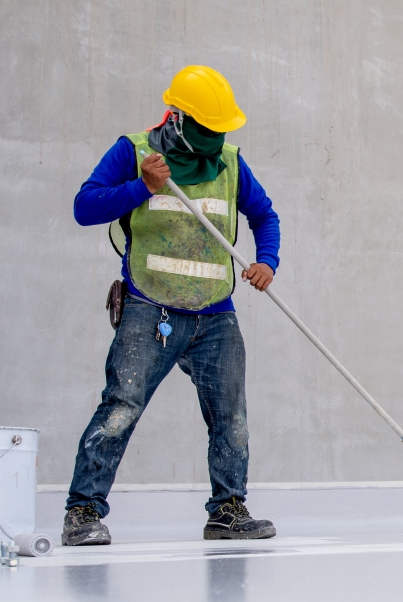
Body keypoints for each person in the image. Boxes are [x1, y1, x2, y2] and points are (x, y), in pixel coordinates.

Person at [63, 65, 279, 545]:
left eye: (219, 129)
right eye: (205, 128)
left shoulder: (230, 161)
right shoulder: (135, 152)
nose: (213, 138)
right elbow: (85, 207)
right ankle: (82, 512)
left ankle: (227, 511)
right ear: (177, 118)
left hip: (215, 312)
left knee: (231, 416)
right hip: (149, 307)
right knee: (121, 407)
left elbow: (264, 215)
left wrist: (267, 261)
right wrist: (142, 187)